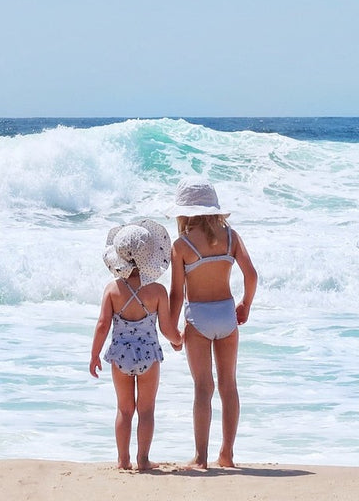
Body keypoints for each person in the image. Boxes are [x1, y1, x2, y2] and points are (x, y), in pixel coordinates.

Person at [167, 176, 257, 469]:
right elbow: (251, 276)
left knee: (203, 388)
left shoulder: (181, 245)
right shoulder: (231, 237)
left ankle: (201, 457)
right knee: (229, 385)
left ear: (184, 212)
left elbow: (177, 294)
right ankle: (227, 454)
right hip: (227, 314)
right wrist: (245, 304)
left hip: (199, 318)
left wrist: (171, 330)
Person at [90, 218, 182, 471]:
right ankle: (143, 459)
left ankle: (123, 460)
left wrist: (94, 355)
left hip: (120, 356)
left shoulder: (112, 290)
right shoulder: (157, 292)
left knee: (124, 409)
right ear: (150, 256)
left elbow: (102, 325)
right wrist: (178, 341)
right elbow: (166, 329)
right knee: (146, 410)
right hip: (149, 356)